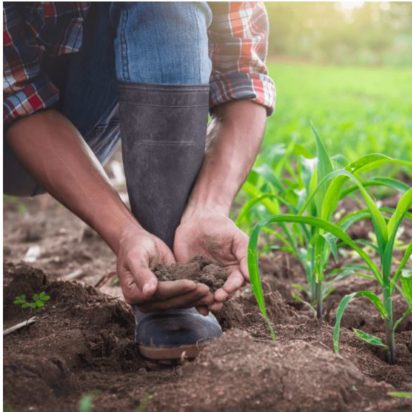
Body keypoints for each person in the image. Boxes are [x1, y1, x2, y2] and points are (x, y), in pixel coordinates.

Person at [3, 2, 275, 360]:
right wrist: (122, 231)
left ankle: (167, 279)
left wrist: (208, 207)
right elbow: (15, 92)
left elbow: (243, 76)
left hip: (76, 117)